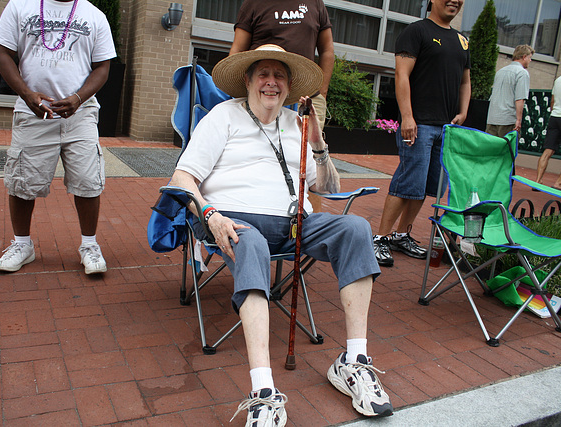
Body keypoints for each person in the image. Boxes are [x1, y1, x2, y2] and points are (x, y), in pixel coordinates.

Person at [170, 44, 393, 426]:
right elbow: (181, 179)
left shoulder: (297, 124)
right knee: (252, 241)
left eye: (280, 76)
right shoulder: (223, 117)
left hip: (294, 225)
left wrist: (318, 143)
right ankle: (264, 392)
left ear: (289, 86)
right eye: (264, 74)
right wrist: (210, 215)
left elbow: (326, 186)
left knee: (357, 228)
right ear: (248, 80)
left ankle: (353, 362)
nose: (271, 82)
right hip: (234, 224)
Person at [0, 0, 116, 274]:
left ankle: (89, 245)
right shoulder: (20, 6)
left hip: (81, 114)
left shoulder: (95, 16)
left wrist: (78, 98)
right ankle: (22, 244)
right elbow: (3, 53)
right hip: (33, 112)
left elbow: (103, 67)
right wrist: (27, 94)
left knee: (88, 180)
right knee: (23, 181)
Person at [373, 0, 471, 267]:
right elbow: (401, 75)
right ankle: (380, 238)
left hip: (446, 128)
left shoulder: (462, 40)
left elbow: (465, 80)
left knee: (426, 187)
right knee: (408, 181)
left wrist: (463, 111)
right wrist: (407, 117)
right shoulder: (416, 32)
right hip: (419, 124)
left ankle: (402, 235)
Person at [230, 0, 334, 131]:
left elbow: (327, 50)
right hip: (265, 94)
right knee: (259, 147)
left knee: (308, 149)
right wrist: (242, 92)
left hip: (306, 99)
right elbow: (238, 51)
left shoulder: (315, 2)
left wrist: (321, 93)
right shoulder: (253, 3)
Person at [486, 45, 534, 138]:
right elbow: (520, 99)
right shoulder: (522, 73)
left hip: (492, 118)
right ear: (524, 57)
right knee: (508, 150)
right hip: (508, 119)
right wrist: (518, 120)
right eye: (530, 58)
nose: (530, 61)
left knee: (490, 150)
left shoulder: (500, 71)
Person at [535, 75, 561, 190]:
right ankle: (558, 183)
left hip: (554, 116)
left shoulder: (558, 80)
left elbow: (552, 101)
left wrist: (553, 112)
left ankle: (538, 180)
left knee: (548, 150)